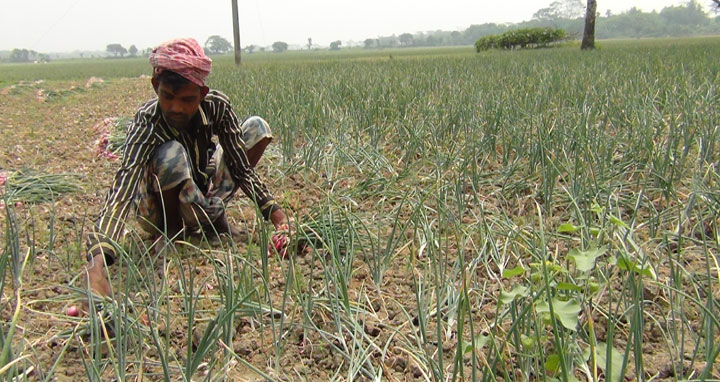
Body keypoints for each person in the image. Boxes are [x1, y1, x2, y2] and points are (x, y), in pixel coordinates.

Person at [83, 38, 291, 305]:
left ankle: (209, 219)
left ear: (202, 94)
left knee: (256, 128)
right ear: (155, 87)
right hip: (158, 208)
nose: (176, 108)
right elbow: (124, 187)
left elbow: (239, 165)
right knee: (172, 153)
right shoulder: (147, 121)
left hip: (198, 193)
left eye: (187, 99)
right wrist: (97, 265)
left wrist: (279, 219)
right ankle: (172, 234)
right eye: (167, 97)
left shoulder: (217, 106)